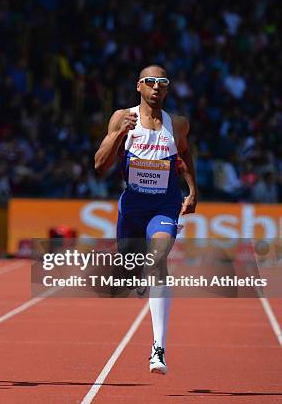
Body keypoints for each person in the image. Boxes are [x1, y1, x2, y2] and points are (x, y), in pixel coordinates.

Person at [94, 65, 198, 375]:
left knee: (158, 258)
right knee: (130, 268)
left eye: (163, 83)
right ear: (139, 86)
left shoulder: (177, 124)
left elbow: (185, 155)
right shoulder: (122, 117)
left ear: (167, 90)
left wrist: (192, 191)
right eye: (150, 82)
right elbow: (100, 165)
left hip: (164, 205)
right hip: (132, 208)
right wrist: (118, 135)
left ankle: (158, 348)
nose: (156, 87)